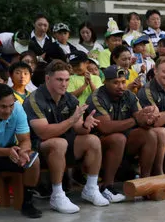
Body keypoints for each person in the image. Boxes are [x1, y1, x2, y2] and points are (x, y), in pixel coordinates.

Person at [23, 60, 109, 213]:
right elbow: (44, 132)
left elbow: (78, 127)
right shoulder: (34, 100)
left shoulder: (70, 99)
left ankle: (91, 188)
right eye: (59, 80)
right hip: (37, 149)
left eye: (67, 80)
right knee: (58, 143)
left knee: (93, 140)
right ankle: (57, 195)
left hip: (65, 145)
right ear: (47, 79)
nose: (64, 84)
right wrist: (72, 120)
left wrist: (85, 126)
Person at [86, 65, 165, 201]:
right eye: (116, 82)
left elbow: (140, 118)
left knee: (151, 134)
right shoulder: (97, 97)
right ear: (106, 82)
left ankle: (144, 181)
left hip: (124, 138)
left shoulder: (129, 95)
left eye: (123, 82)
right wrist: (136, 119)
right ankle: (107, 186)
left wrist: (149, 119)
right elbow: (105, 128)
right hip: (97, 143)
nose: (121, 86)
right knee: (118, 138)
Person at [0, 84, 42, 218]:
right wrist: (6, 152)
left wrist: (23, 151)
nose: (8, 110)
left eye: (11, 105)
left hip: (9, 151)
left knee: (32, 160)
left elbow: (25, 139)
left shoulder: (18, 109)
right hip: (4, 152)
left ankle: (27, 202)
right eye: (3, 106)